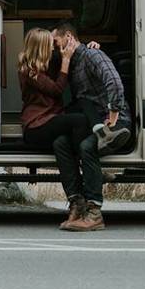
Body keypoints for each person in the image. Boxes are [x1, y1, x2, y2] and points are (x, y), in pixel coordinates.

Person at [51, 21, 132, 231]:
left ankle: (94, 212)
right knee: (60, 143)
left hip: (113, 121)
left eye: (56, 42)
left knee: (87, 147)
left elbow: (114, 82)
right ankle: (77, 203)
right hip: (91, 122)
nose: (54, 47)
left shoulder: (93, 55)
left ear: (68, 37)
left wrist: (113, 117)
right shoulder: (70, 63)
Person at [17, 28, 92, 230]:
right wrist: (66, 61)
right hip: (36, 126)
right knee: (79, 121)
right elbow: (57, 88)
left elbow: (69, 54)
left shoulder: (44, 63)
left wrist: (91, 48)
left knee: (61, 144)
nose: (54, 46)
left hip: (49, 121)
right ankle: (89, 167)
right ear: (41, 47)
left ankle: (76, 201)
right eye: (49, 44)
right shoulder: (29, 70)